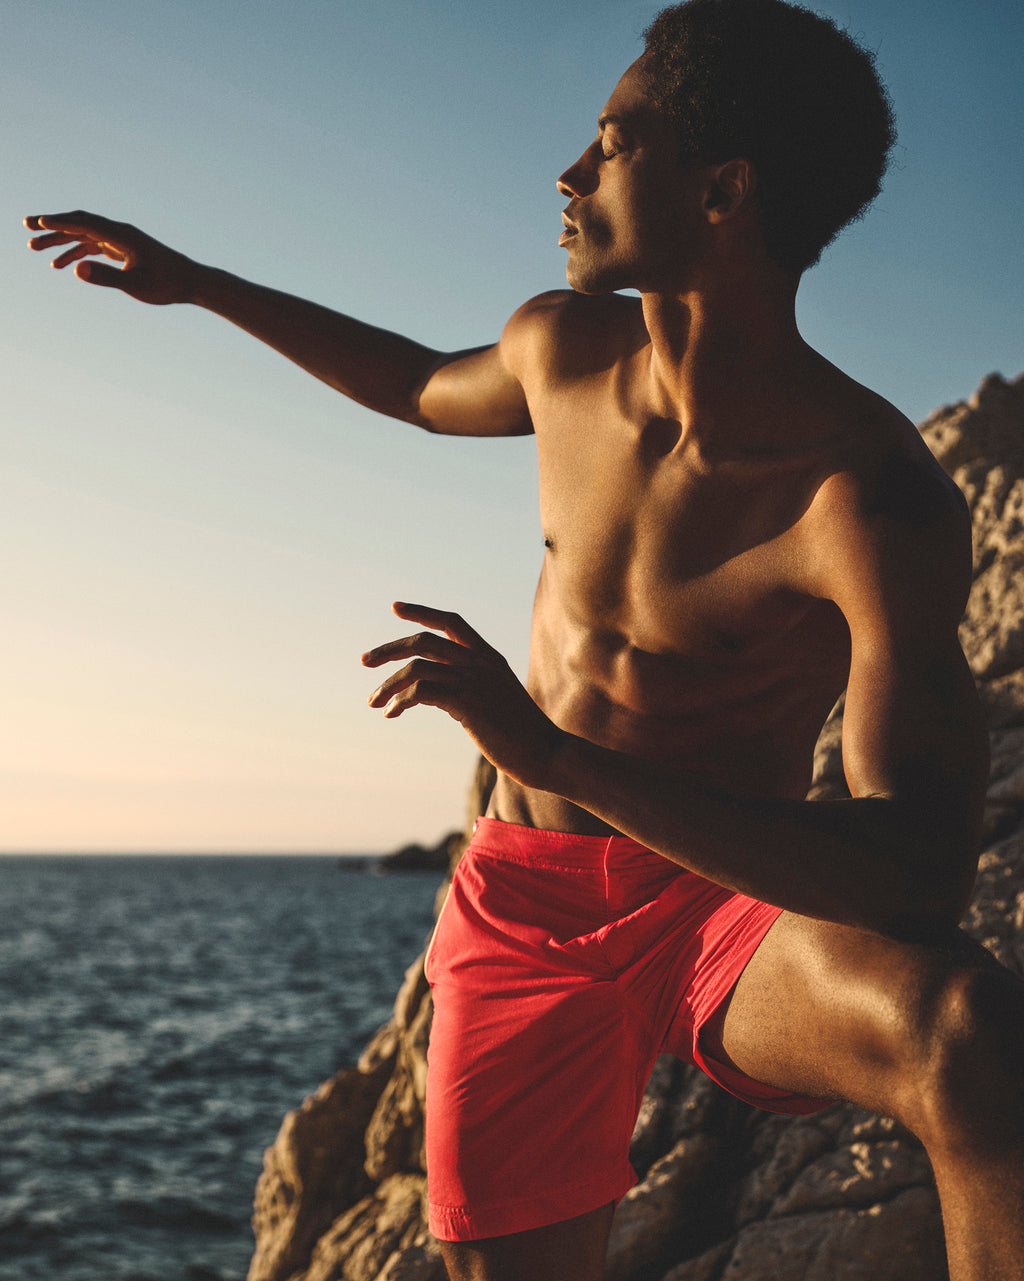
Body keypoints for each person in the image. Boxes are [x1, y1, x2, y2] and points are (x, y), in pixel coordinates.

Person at [25, 1, 1024, 1277]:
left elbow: (919, 873)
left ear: (722, 190)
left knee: (967, 1037)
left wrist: (555, 756)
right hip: (520, 910)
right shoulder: (559, 355)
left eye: (612, 145)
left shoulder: (861, 498)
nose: (569, 174)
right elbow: (411, 382)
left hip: (719, 905)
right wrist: (199, 283)